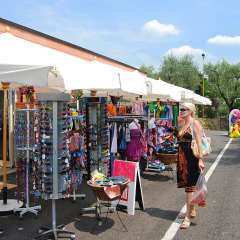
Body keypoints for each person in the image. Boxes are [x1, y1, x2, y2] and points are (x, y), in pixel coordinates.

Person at [177, 102, 205, 229]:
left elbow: (199, 142)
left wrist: (200, 159)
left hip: (192, 159)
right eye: (181, 109)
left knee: (190, 187)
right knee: (189, 186)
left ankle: (188, 217)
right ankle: (192, 211)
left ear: (191, 111)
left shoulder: (195, 123)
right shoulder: (183, 123)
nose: (181, 111)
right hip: (183, 158)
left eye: (184, 109)